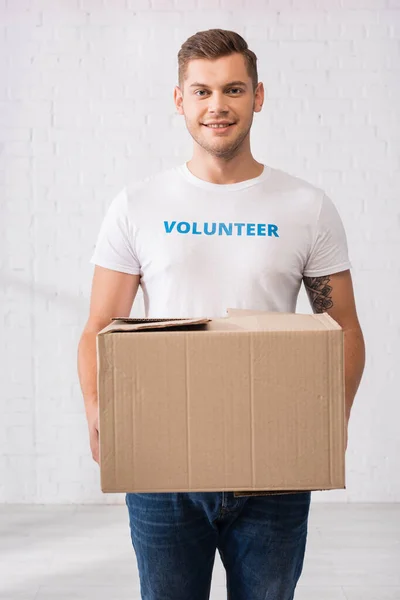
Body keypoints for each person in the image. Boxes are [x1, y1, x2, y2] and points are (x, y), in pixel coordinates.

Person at [78, 28, 365, 600]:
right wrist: (98, 412)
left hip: (273, 465)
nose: (218, 106)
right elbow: (99, 325)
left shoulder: (306, 207)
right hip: (164, 466)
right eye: (202, 91)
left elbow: (343, 327)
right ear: (179, 99)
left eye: (233, 90)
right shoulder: (138, 205)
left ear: (258, 96)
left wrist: (328, 419)